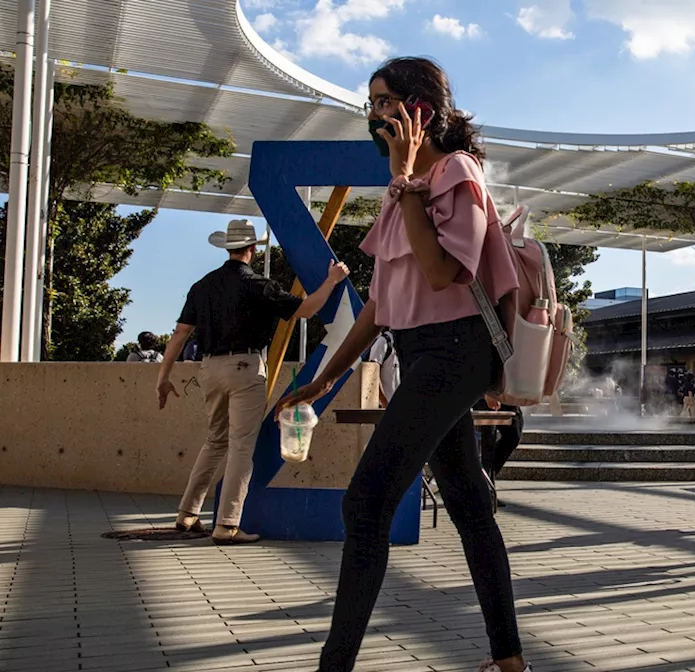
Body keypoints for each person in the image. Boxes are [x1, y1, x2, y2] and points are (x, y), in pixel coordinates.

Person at [276, 57, 530, 672]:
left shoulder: (456, 173)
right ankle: (510, 660)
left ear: (418, 108)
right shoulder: (402, 193)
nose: (373, 114)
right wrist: (324, 377)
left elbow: (445, 271)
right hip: (420, 356)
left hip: (456, 351)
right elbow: (380, 309)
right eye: (369, 104)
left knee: (365, 505)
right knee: (469, 504)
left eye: (382, 101)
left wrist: (406, 181)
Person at [156, 219, 348, 545]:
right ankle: (227, 525)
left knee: (215, 441)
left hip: (210, 369)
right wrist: (331, 281)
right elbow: (305, 310)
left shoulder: (202, 286)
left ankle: (187, 514)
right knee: (242, 447)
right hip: (245, 367)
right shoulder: (259, 285)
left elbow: (179, 335)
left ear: (228, 248)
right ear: (253, 249)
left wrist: (163, 378)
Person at [367, 328, 400, 407]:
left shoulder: (404, 345)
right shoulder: (383, 342)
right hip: (386, 406)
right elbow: (372, 374)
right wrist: (384, 403)